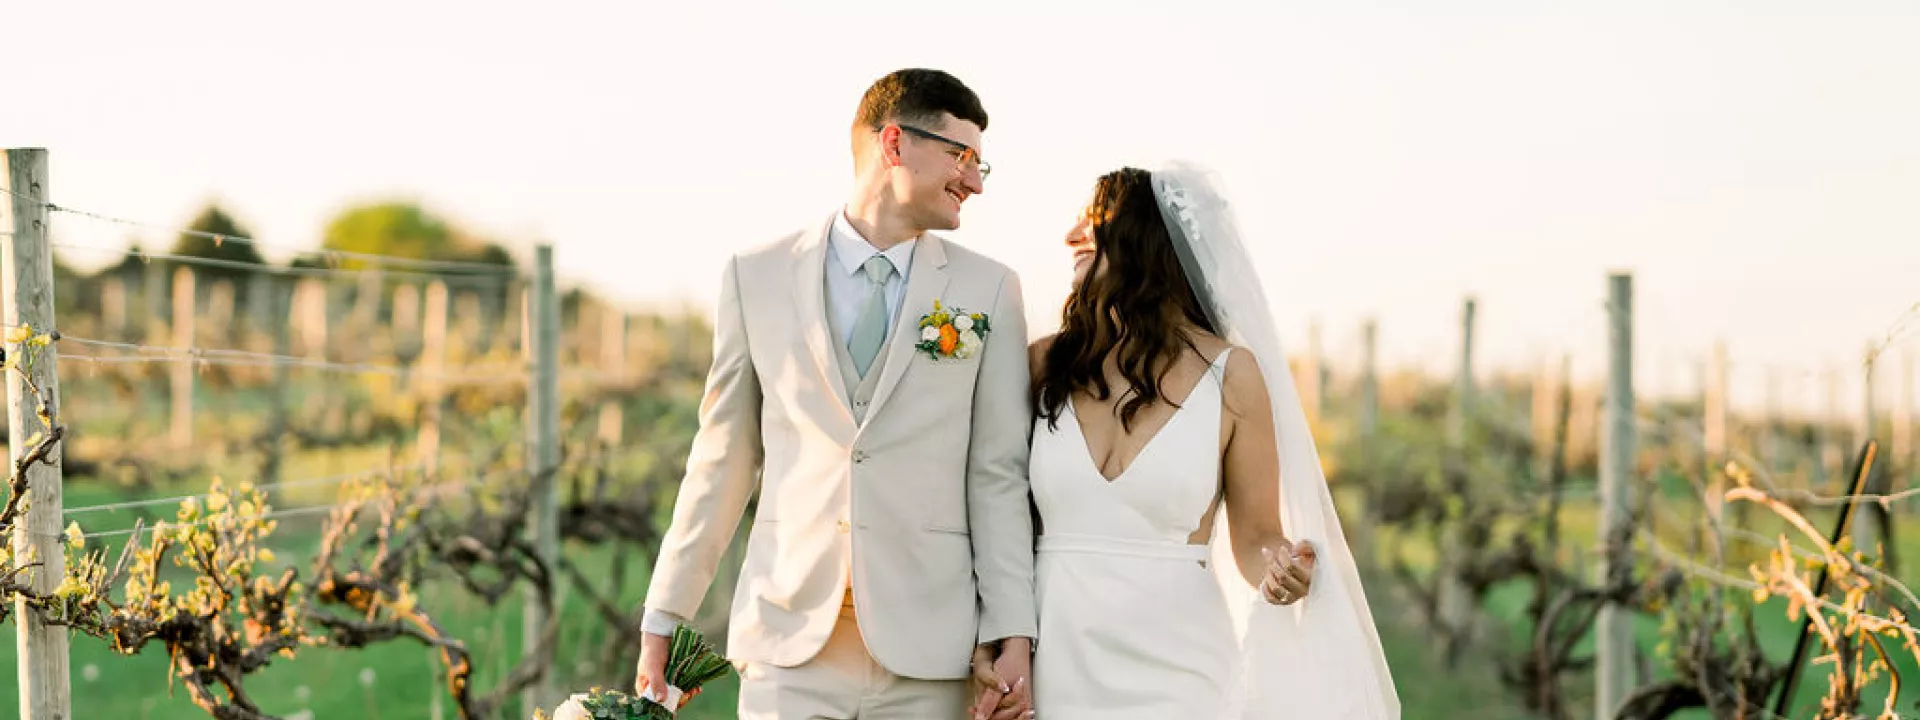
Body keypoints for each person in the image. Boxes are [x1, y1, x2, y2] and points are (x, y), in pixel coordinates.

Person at [634, 68, 1039, 720]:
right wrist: (664, 613)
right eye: (961, 157)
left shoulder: (988, 290)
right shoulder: (756, 276)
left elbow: (998, 475)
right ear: (893, 144)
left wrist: (1012, 632)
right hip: (787, 645)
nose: (973, 181)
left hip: (928, 652)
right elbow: (722, 460)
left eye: (981, 167)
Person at [1015, 163, 1400, 719]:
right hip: (1053, 659)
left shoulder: (1232, 375)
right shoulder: (1044, 363)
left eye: (1093, 224)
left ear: (1147, 242)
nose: (1071, 238)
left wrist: (1282, 567)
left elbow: (1256, 536)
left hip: (1181, 670)